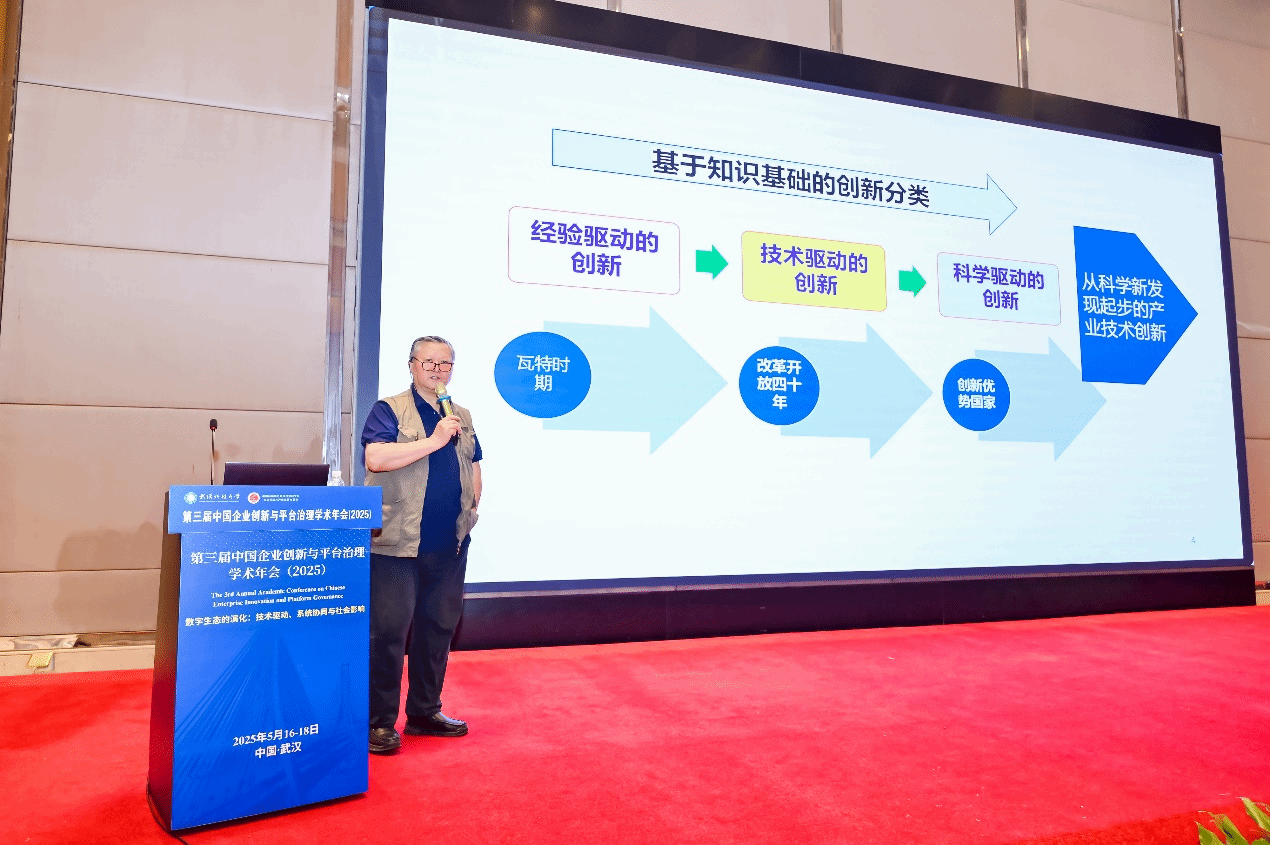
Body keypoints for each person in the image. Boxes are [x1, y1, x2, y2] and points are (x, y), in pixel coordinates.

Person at [361, 335, 482, 755]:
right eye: (428, 362)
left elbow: (473, 465)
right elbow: (376, 459)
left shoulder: (461, 415)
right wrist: (434, 440)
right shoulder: (389, 409)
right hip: (397, 544)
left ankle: (425, 712)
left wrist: (471, 509)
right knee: (389, 634)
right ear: (412, 365)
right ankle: (378, 723)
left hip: (449, 544)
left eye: (445, 363)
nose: (437, 370)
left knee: (437, 630)